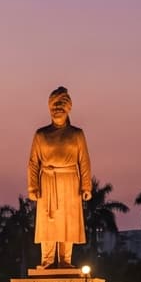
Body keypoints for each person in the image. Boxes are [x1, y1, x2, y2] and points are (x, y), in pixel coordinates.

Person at [27, 86, 92, 268]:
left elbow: (84, 161)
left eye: (61, 104)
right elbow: (33, 162)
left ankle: (65, 260)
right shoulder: (41, 134)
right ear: (49, 107)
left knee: (67, 223)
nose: (57, 108)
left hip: (70, 181)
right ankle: (47, 260)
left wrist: (86, 187)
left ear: (68, 108)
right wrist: (33, 187)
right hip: (47, 181)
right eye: (54, 104)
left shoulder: (77, 134)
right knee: (48, 223)